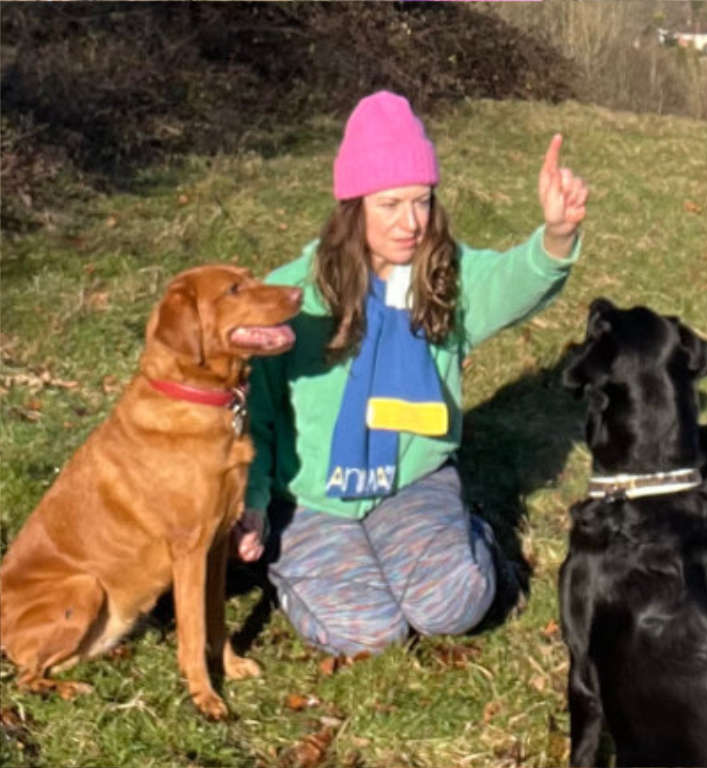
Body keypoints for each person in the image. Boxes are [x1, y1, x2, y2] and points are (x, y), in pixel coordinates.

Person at [230, 90, 588, 657]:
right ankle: (295, 572)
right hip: (311, 499)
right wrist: (252, 496)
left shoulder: (444, 277)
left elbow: (515, 280)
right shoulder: (293, 295)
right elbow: (259, 416)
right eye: (390, 205)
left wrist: (557, 234)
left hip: (410, 485)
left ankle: (469, 538)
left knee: (453, 604)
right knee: (368, 633)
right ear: (353, 207)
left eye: (422, 202)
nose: (411, 223)